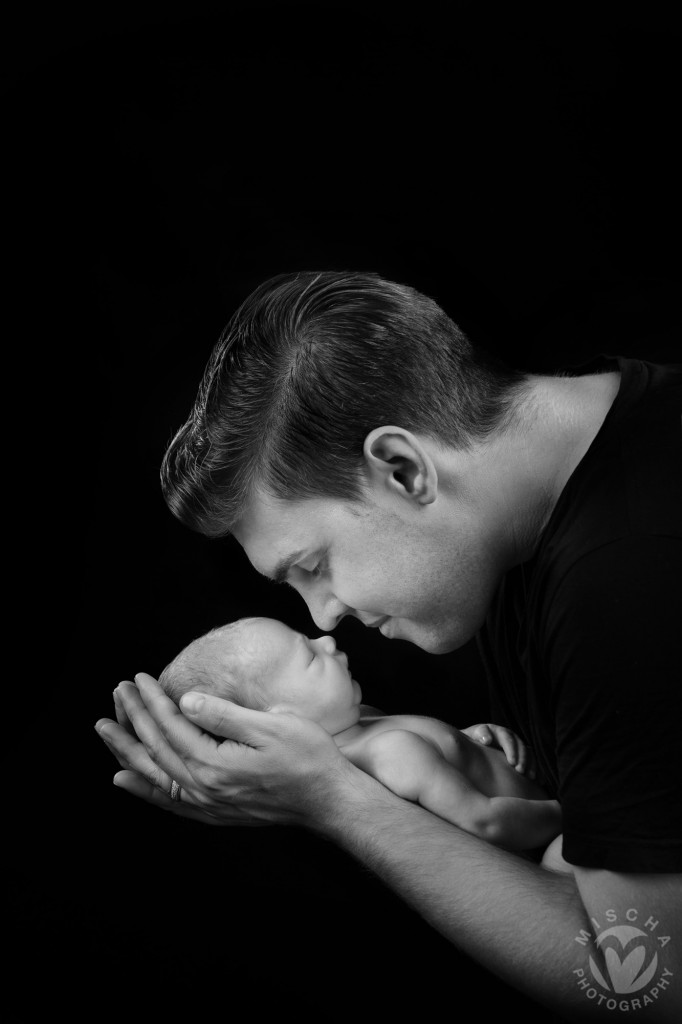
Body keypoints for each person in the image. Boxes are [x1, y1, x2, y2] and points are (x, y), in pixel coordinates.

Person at [97, 272, 682, 1019]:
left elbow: (649, 983)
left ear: (403, 470)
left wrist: (334, 800)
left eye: (312, 567)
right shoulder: (525, 529)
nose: (325, 615)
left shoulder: (634, 578)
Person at [156, 616, 562, 854]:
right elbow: (485, 821)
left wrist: (470, 740)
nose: (328, 640)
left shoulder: (363, 726)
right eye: (311, 657)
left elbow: (444, 753)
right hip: (549, 840)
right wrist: (577, 816)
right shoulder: (388, 754)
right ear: (282, 720)